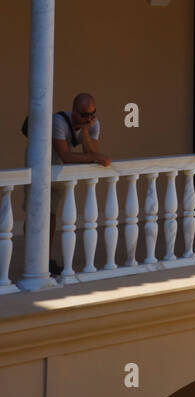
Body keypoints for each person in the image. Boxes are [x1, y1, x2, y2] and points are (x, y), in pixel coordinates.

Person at [49, 93, 111, 274]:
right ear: (74, 111)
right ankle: (43, 258)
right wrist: (95, 157)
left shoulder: (93, 123)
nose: (89, 118)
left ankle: (47, 259)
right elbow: (66, 157)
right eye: (84, 115)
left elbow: (91, 151)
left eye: (92, 113)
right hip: (44, 162)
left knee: (52, 212)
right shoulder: (59, 122)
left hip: (60, 169)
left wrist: (84, 130)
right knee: (42, 213)